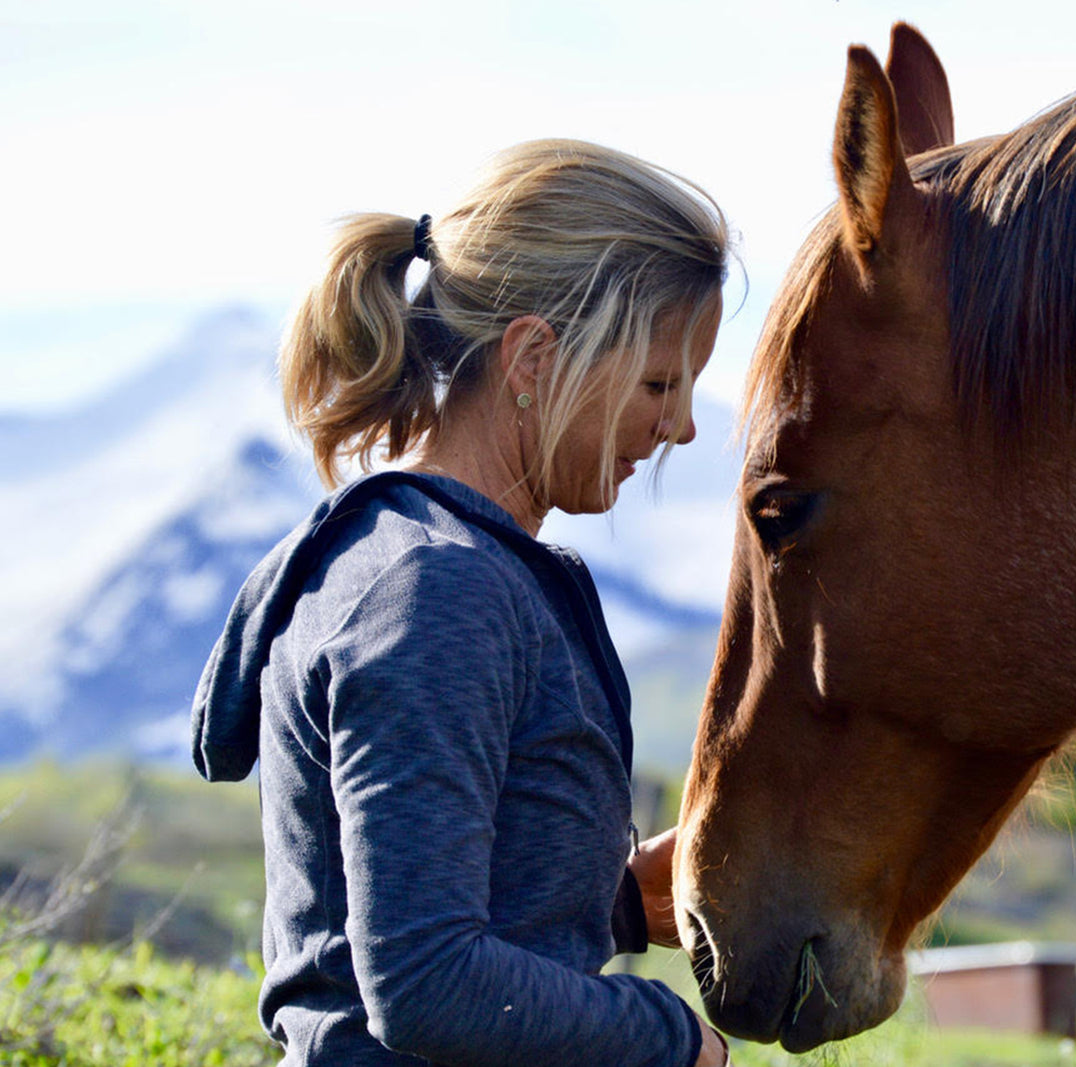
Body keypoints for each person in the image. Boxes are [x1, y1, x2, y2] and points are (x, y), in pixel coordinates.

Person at [191, 139, 731, 1066]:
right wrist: (678, 1042)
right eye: (657, 383)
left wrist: (610, 898)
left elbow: (414, 903)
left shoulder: (435, 566)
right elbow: (426, 983)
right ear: (531, 357)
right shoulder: (435, 591)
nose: (680, 425)